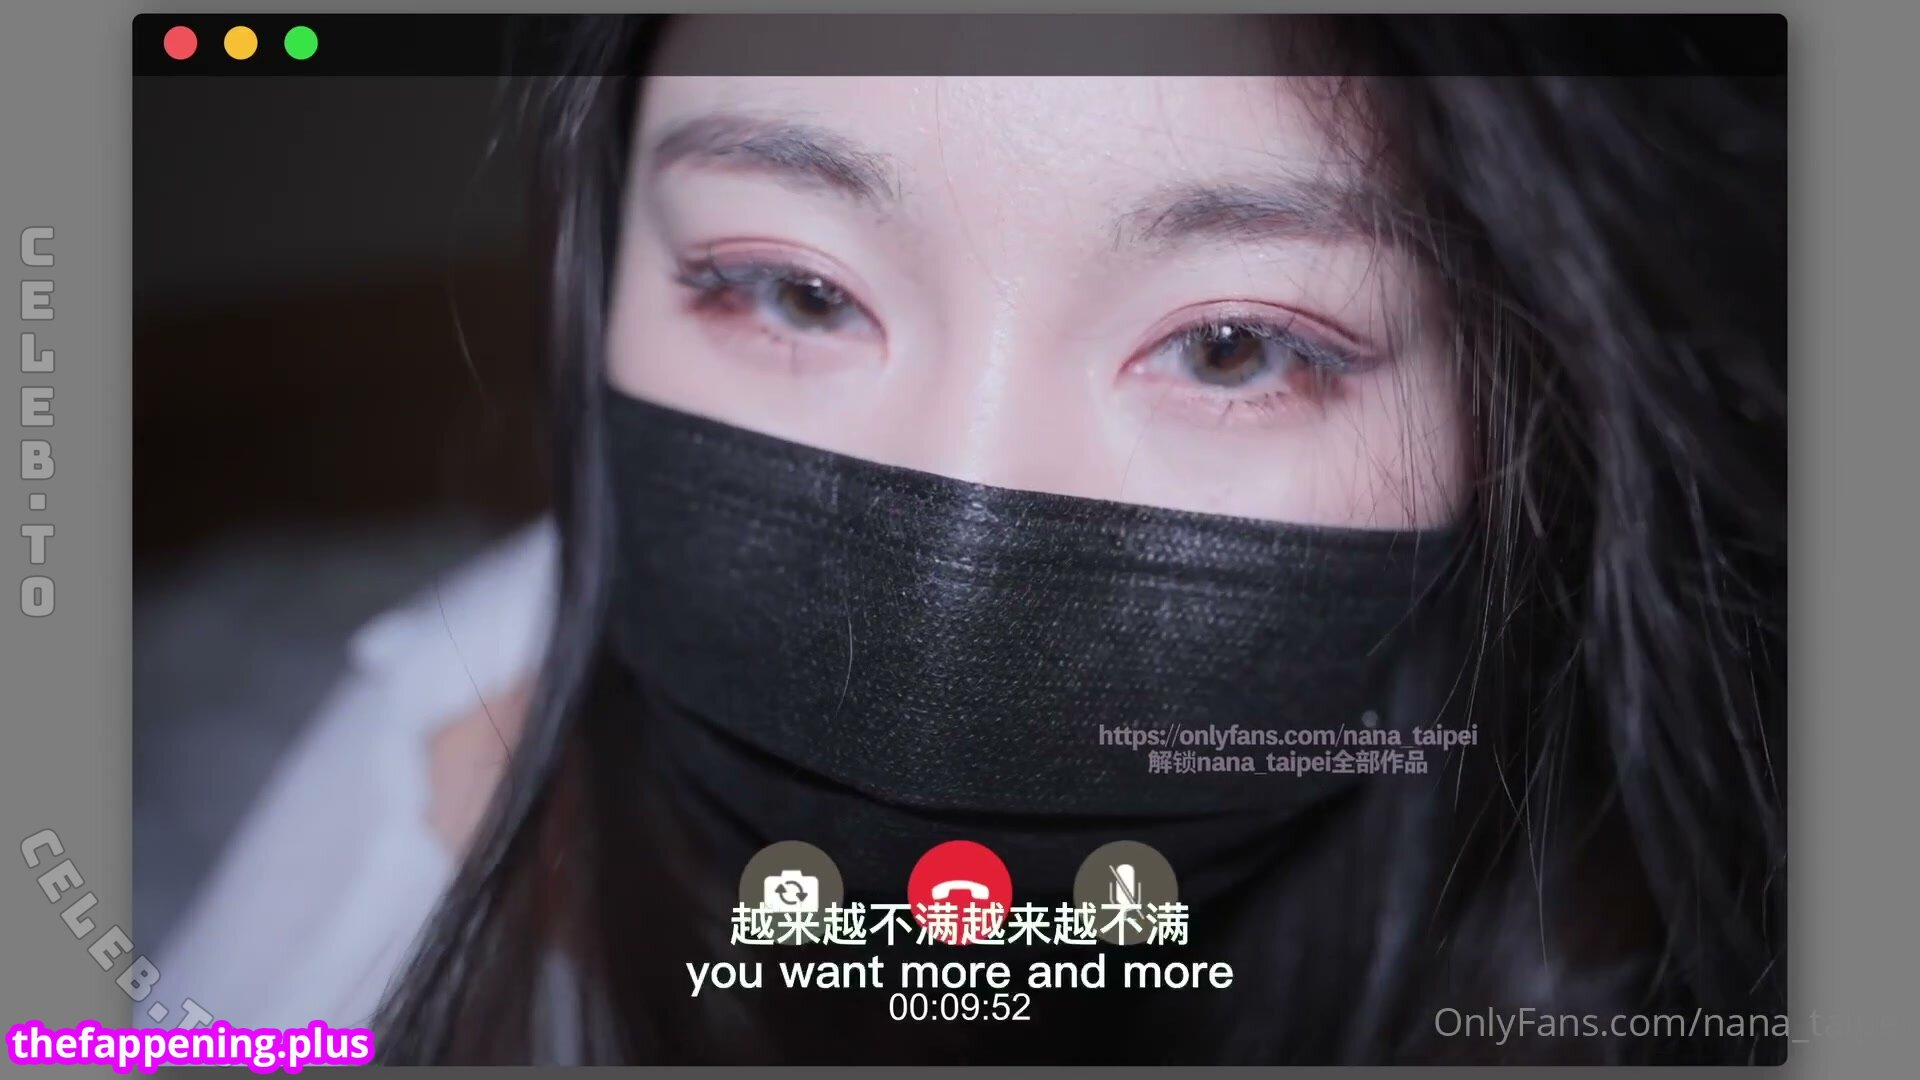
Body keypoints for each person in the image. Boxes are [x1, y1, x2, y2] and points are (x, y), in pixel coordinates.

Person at [155, 13, 1787, 1065]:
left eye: (1236, 349)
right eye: (795, 291)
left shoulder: (1684, 945)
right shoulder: (426, 791)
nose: (943, 624)